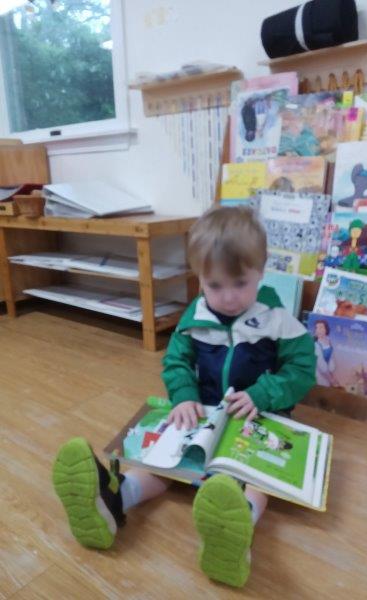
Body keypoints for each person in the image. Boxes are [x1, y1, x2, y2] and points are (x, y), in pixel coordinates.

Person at [52, 206, 316, 588]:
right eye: (214, 285)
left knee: (258, 480)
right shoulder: (196, 316)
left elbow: (302, 369)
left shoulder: (277, 318)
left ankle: (238, 524)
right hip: (204, 413)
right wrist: (183, 395)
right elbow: (176, 361)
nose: (228, 297)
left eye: (240, 283)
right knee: (163, 463)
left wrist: (263, 393)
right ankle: (114, 499)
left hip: (258, 414)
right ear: (200, 278)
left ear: (261, 271)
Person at [313, 319, 338, 386]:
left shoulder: (329, 342)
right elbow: (322, 366)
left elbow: (331, 360)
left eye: (321, 327)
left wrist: (332, 375)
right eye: (316, 328)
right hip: (318, 376)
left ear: (326, 329)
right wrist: (331, 379)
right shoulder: (315, 345)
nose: (318, 330)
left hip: (328, 375)